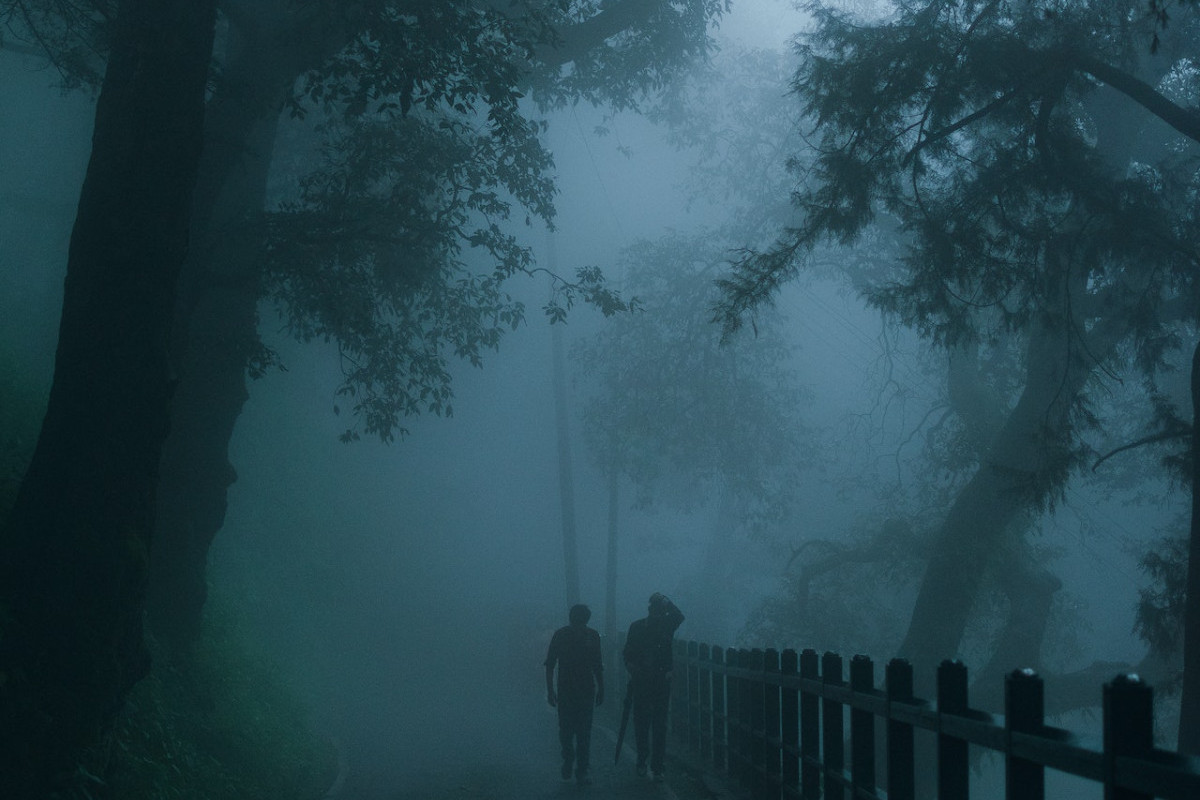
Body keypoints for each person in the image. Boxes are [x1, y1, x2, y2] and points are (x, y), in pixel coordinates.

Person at [623, 592, 684, 782]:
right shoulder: (638, 627)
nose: (658, 612)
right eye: (656, 608)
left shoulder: (667, 625)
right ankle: (643, 759)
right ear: (650, 610)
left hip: (660, 682)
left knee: (659, 725)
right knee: (643, 723)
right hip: (642, 681)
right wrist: (632, 668)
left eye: (661, 609)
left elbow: (679, 616)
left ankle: (656, 765)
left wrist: (666, 600)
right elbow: (628, 653)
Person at [544, 603, 604, 785]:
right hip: (572, 690)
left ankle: (580, 767)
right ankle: (572, 760)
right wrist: (550, 690)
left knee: (579, 731)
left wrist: (601, 687)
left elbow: (597, 664)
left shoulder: (589, 636)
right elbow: (550, 663)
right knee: (571, 731)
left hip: (578, 690)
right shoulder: (564, 635)